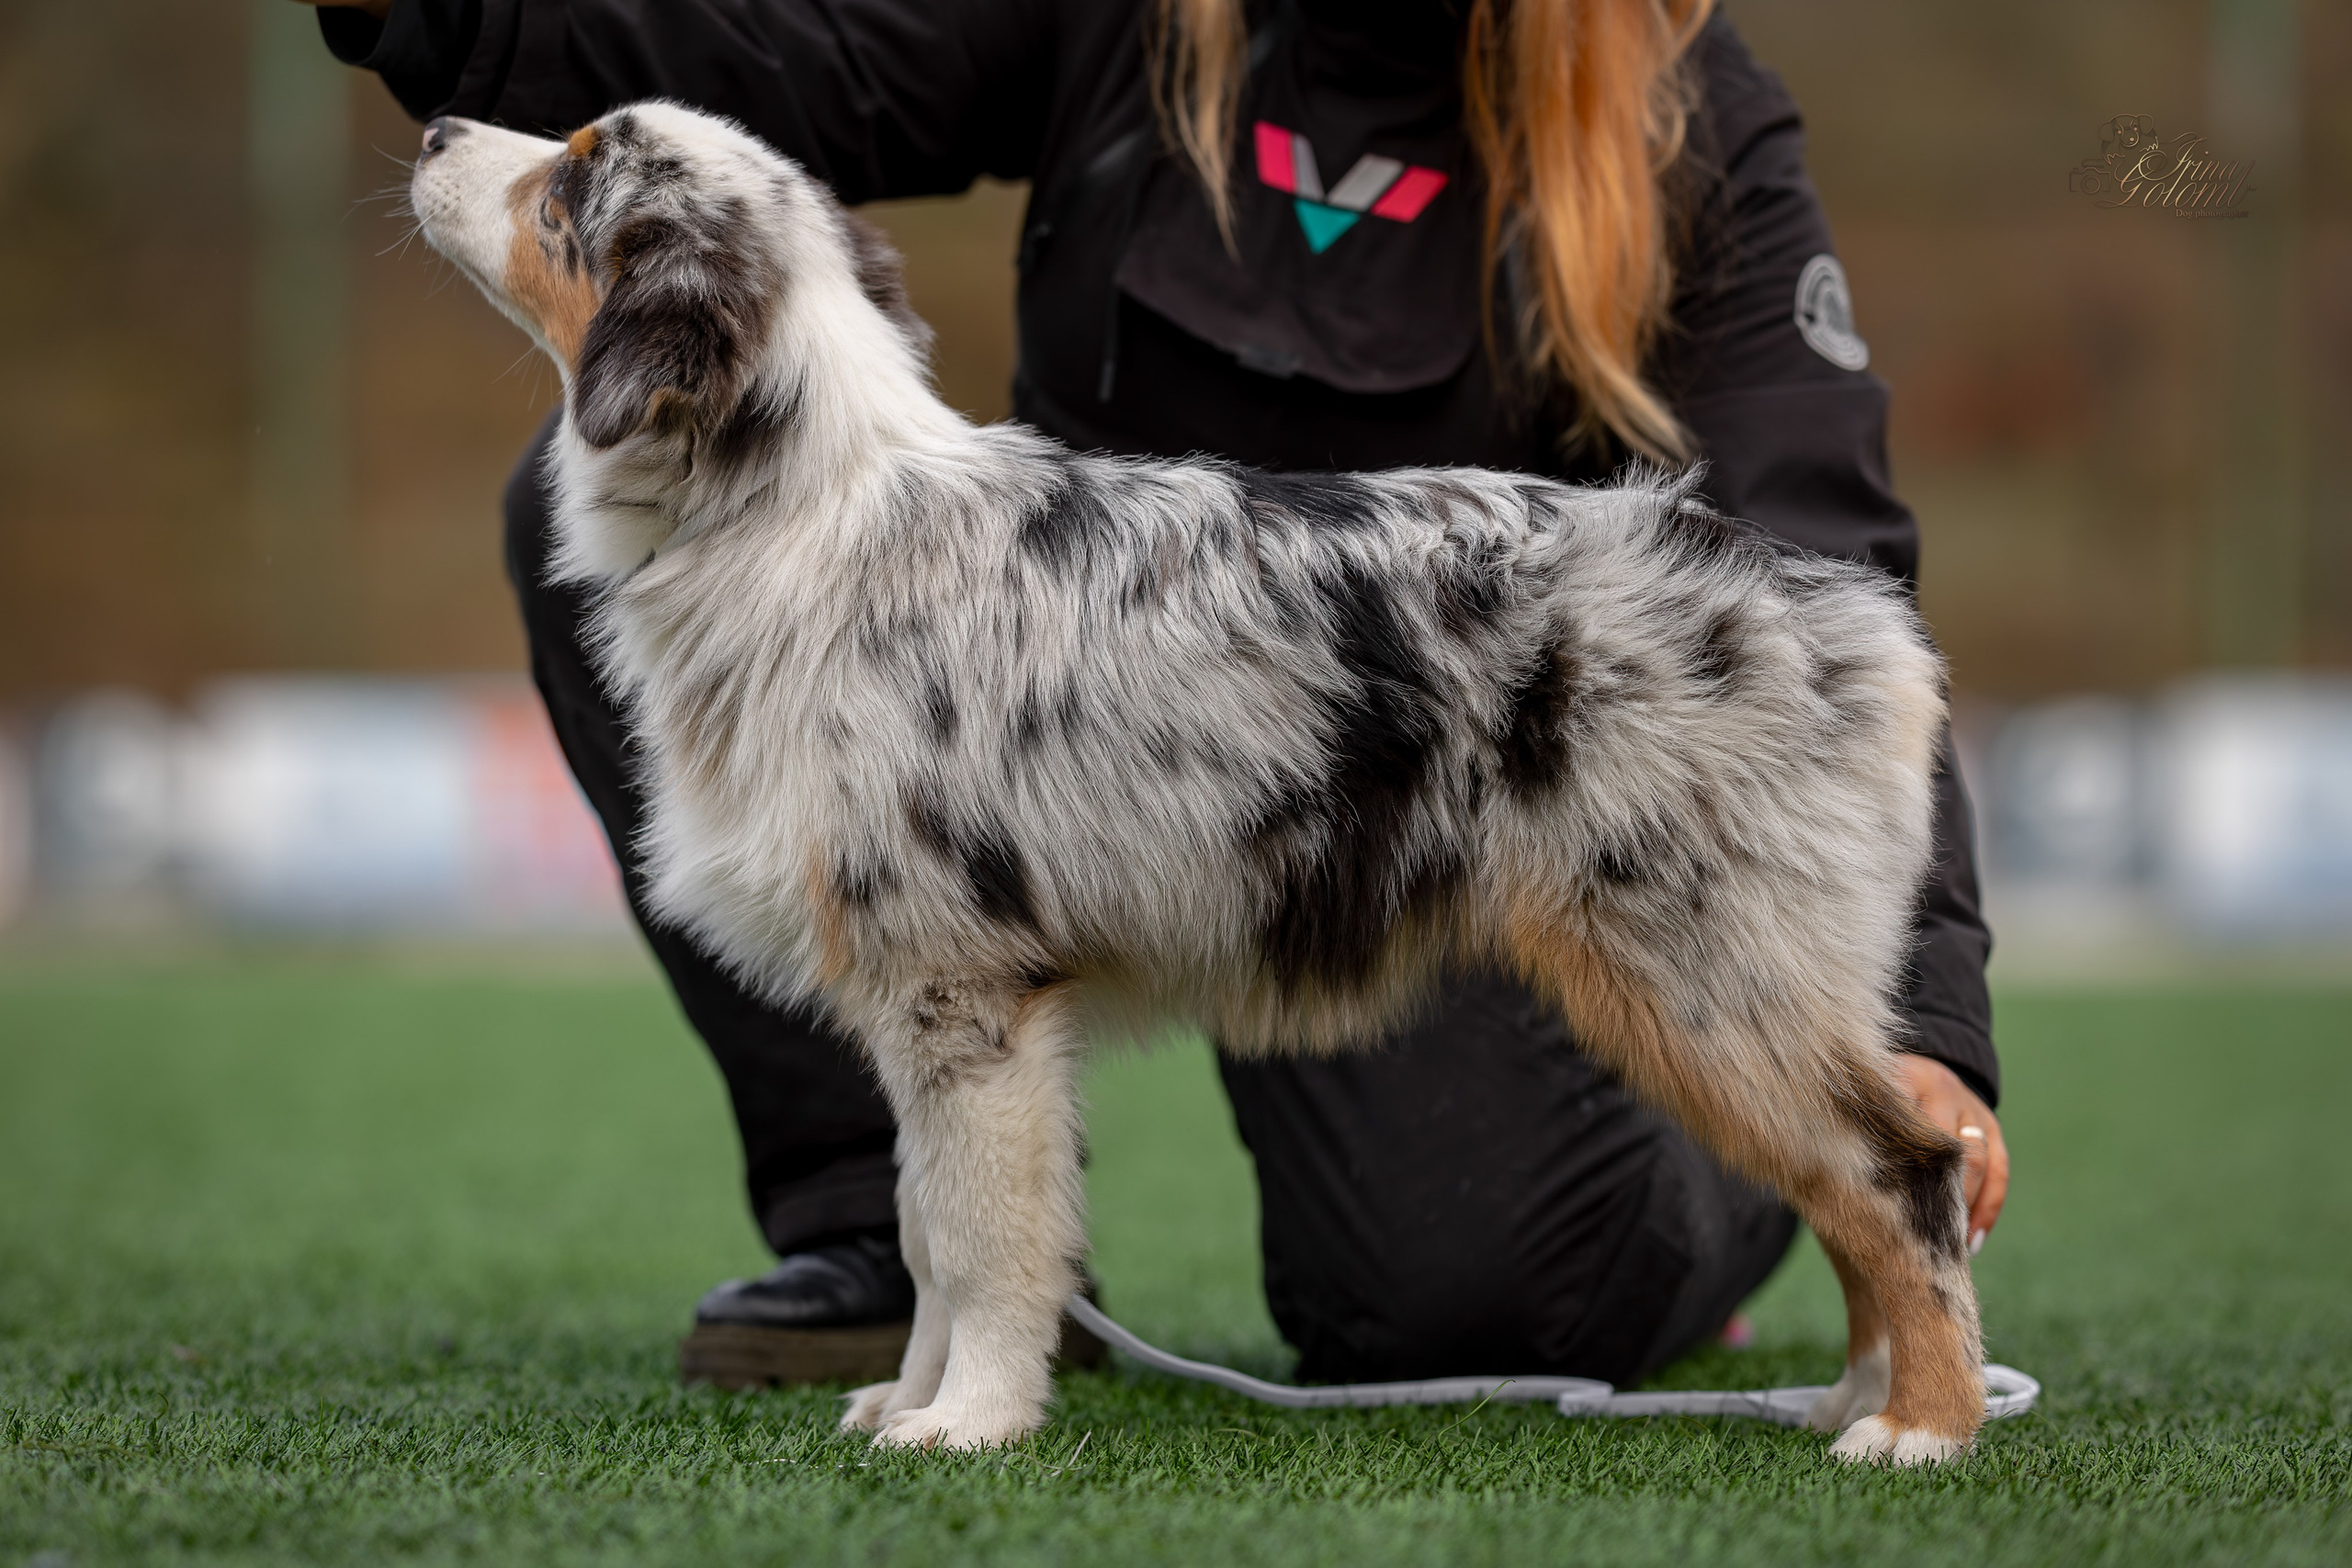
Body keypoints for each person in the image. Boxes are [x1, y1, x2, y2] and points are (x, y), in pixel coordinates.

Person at [297, 0, 2010, 1390]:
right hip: (1047, 740)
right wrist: (440, 14)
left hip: (1438, 793)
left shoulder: (1691, 105)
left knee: (1472, 1298)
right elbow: (788, 47)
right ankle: (878, 1232)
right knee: (599, 546)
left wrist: (1924, 1019)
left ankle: (1756, 1174)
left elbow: (1816, 588)